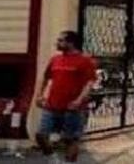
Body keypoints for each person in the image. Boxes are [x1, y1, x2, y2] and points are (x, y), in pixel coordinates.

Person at [33, 30, 99, 163]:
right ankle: (53, 158)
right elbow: (45, 78)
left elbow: (89, 82)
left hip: (73, 107)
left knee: (70, 139)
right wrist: (39, 95)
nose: (57, 43)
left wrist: (79, 100)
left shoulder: (84, 61)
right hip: (52, 105)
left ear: (71, 43)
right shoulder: (55, 59)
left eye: (61, 40)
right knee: (41, 134)